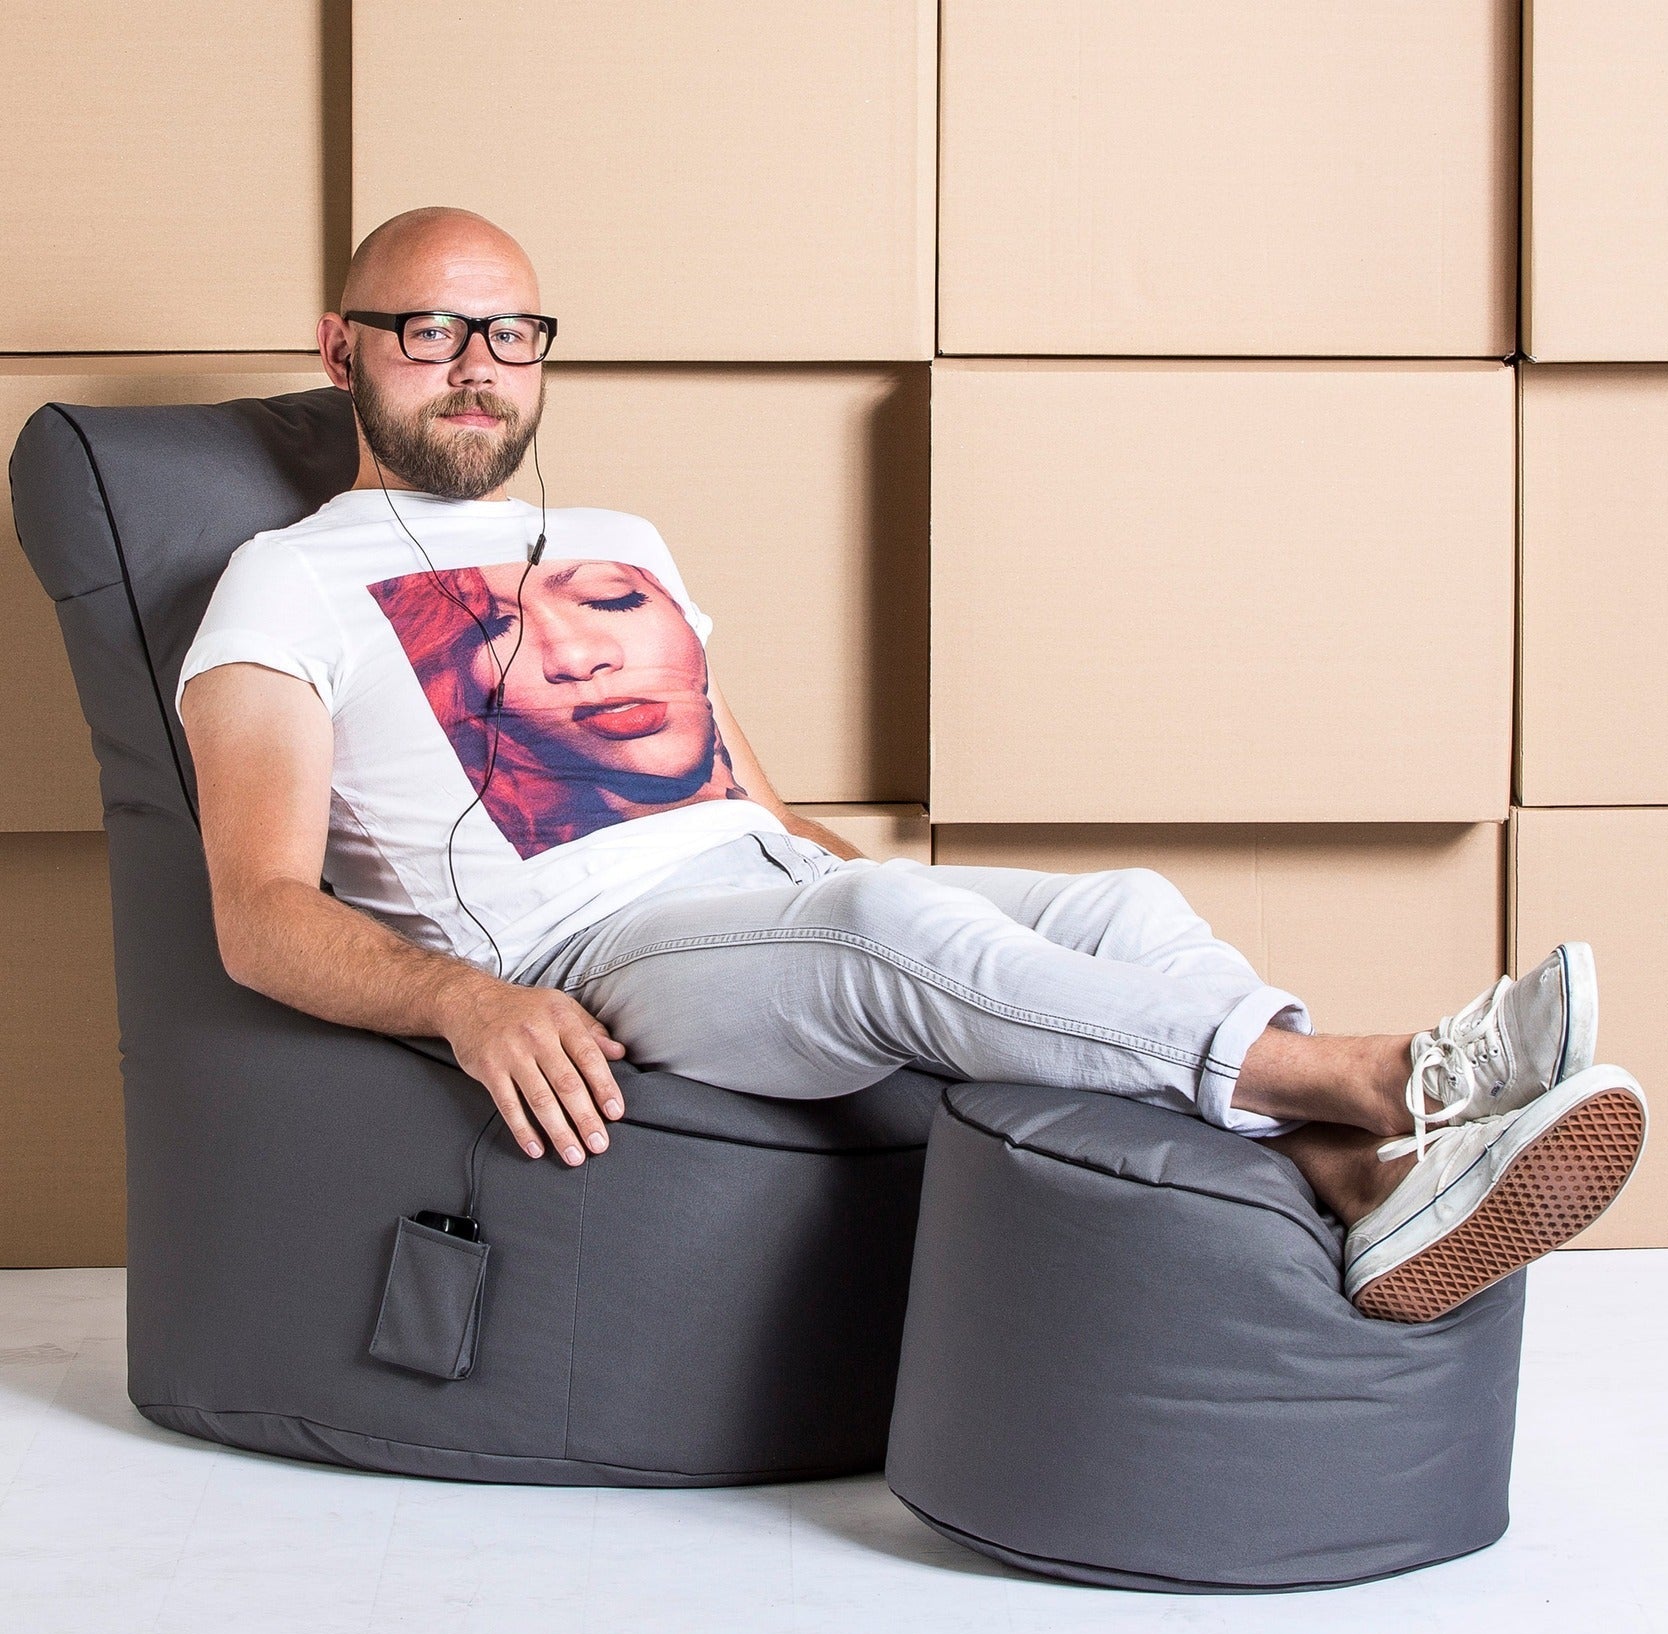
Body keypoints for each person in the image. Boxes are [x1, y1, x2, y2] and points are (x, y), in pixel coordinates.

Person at [175, 206, 1648, 1326]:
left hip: (753, 896)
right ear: (342, 347)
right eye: (430, 333)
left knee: (1117, 905)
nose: (477, 372)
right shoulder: (286, 583)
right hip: (594, 951)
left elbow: (759, 808)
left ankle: (1354, 1186)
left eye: (511, 336)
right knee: (889, 926)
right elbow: (258, 908)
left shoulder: (625, 542)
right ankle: (1395, 1078)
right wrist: (466, 1000)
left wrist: (952, 928)